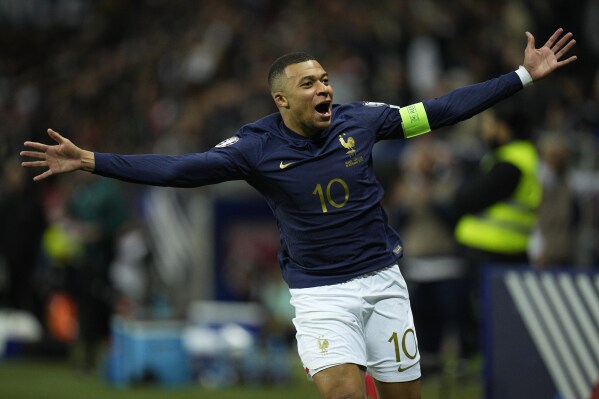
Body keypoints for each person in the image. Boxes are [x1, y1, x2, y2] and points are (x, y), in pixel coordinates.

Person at [21, 28, 576, 399]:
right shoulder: (253, 147)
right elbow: (177, 169)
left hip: (383, 280)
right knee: (342, 391)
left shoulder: (363, 121)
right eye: (308, 83)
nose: (324, 89)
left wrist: (522, 76)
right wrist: (92, 160)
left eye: (325, 79)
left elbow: (443, 109)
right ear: (281, 101)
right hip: (320, 293)